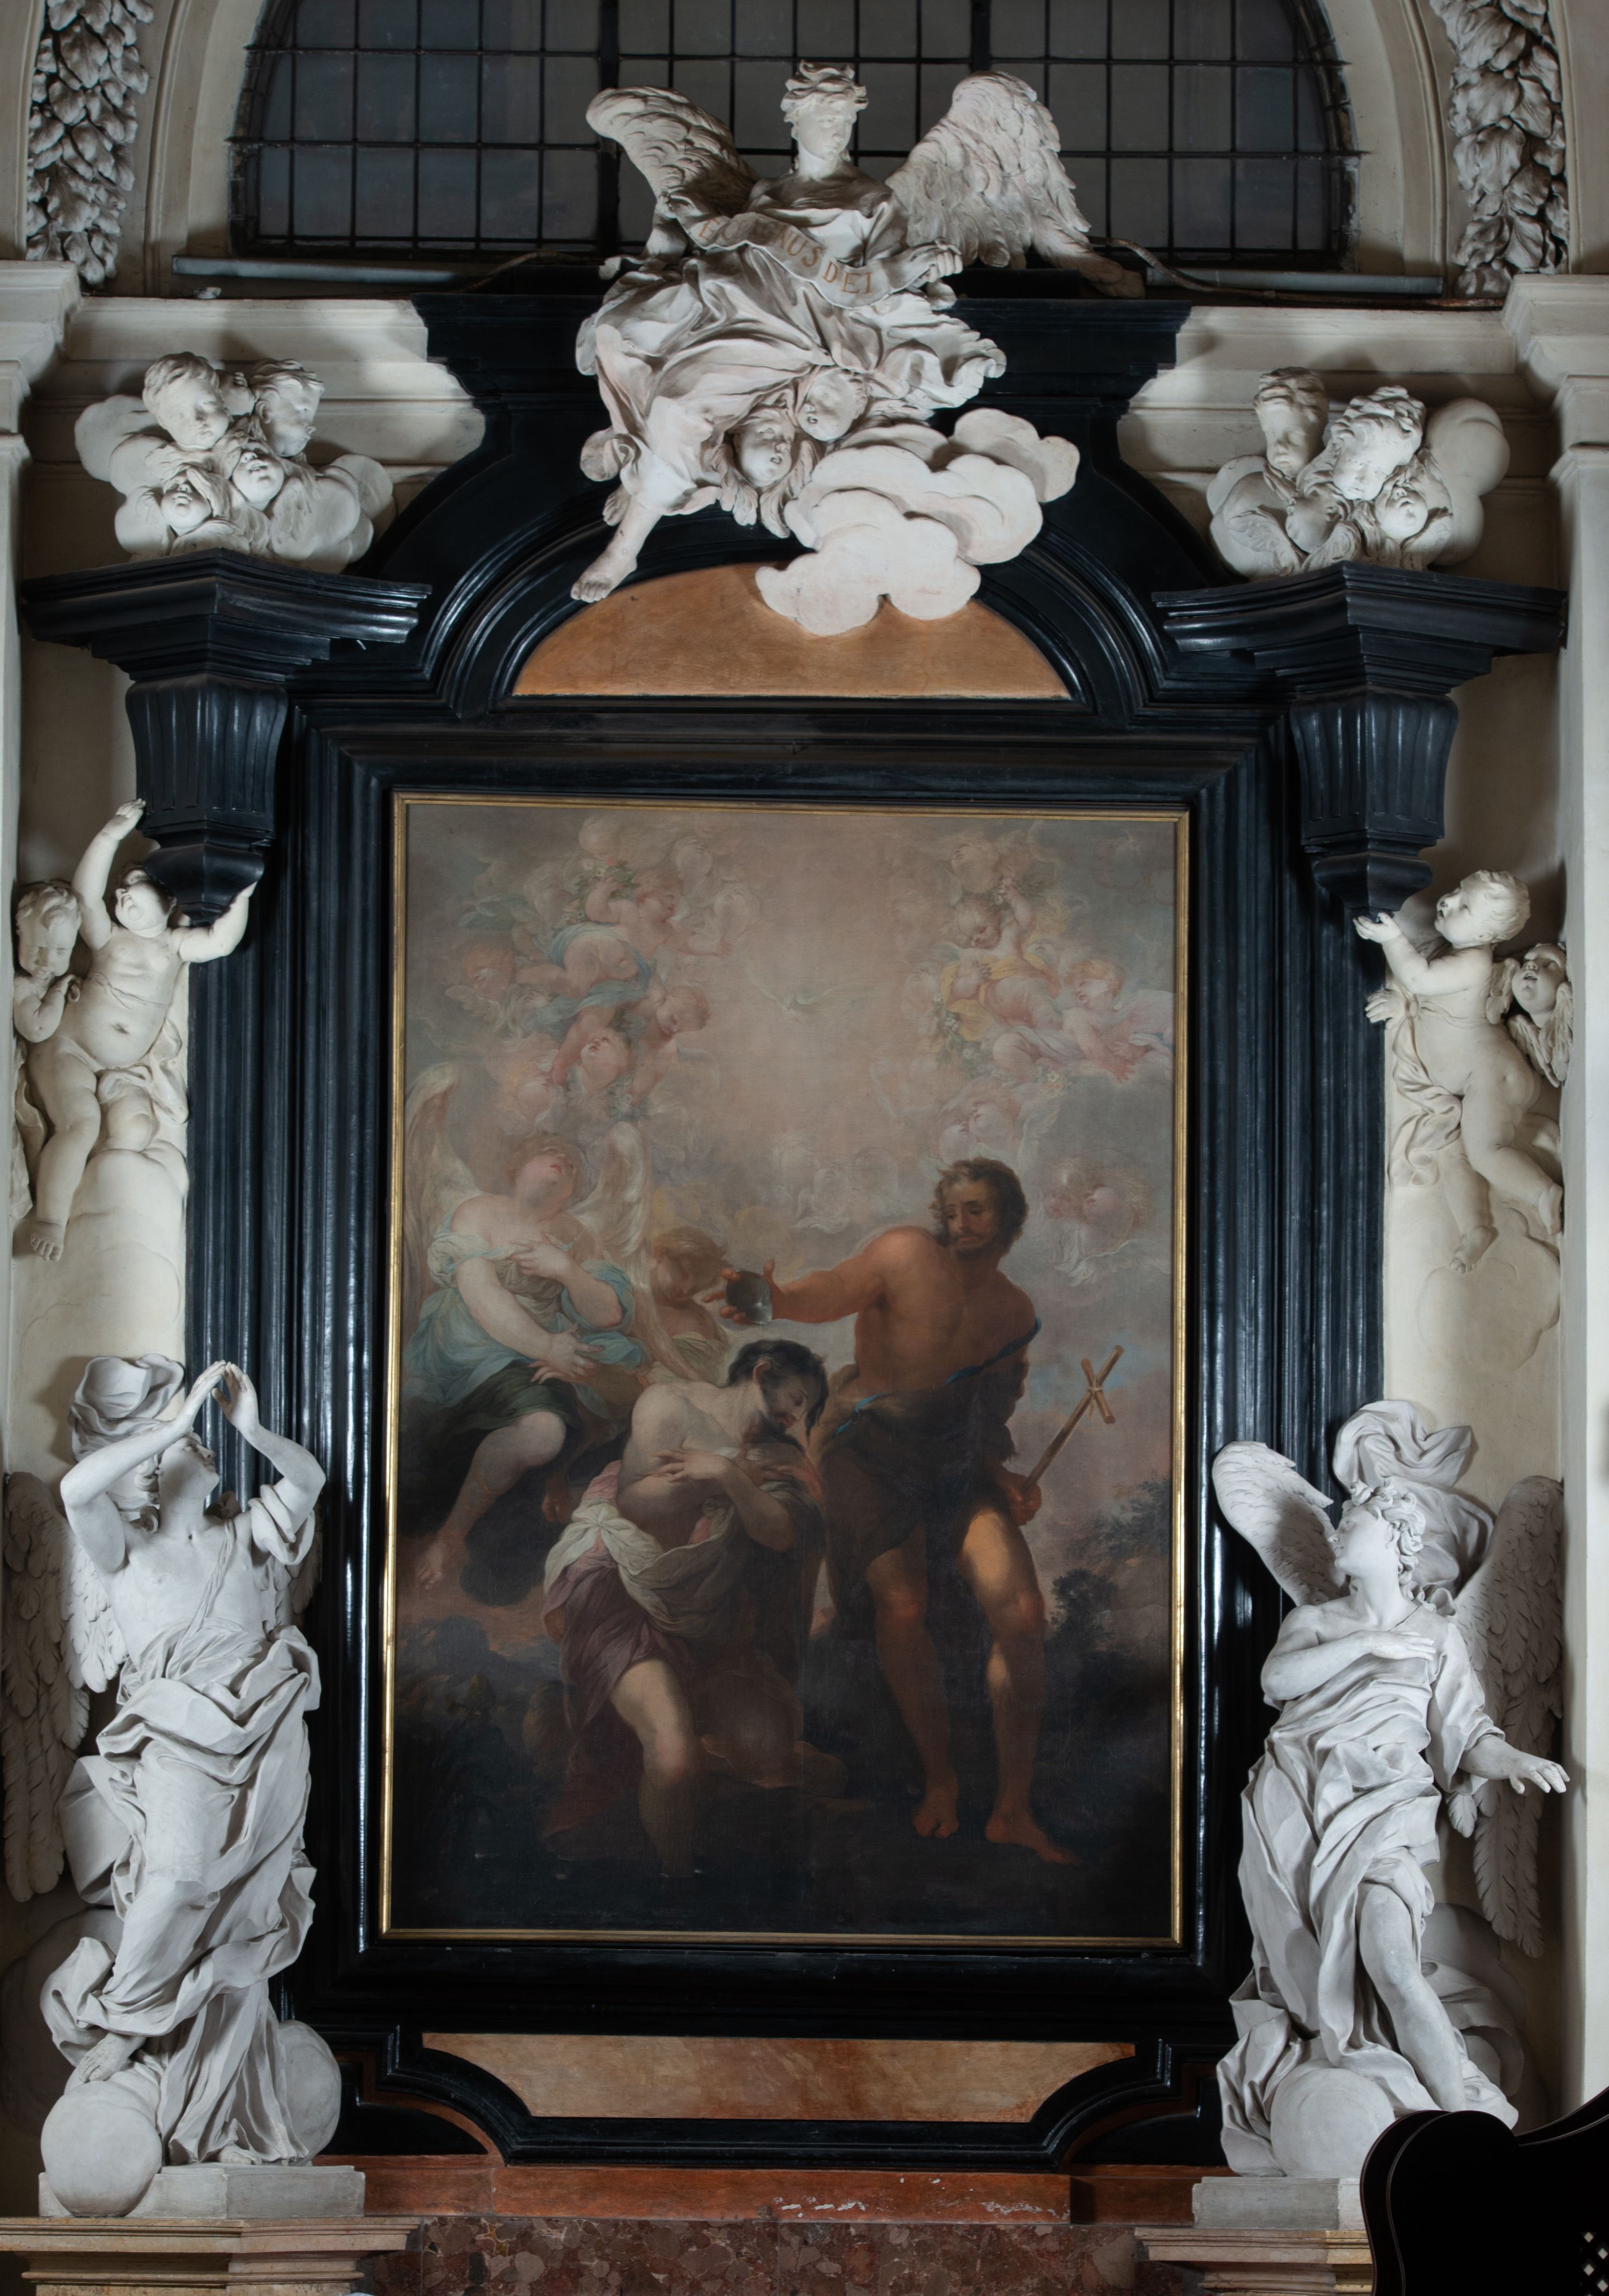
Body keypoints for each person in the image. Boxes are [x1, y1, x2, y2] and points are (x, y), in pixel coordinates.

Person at [726, 1156, 1069, 1863]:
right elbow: (831, 1290)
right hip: (868, 1452)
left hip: (953, 1463)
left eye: (976, 1209)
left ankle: (1013, 1808)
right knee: (904, 1604)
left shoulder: (1013, 1311)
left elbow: (987, 1410)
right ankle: (940, 1781)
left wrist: (1003, 1477)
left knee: (1022, 1612)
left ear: (1007, 1217)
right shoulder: (905, 1253)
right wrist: (775, 1298)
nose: (960, 1222)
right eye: (953, 1209)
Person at [41, 1355, 337, 2174]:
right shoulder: (125, 1554)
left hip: (267, 1732)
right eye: (181, 1444)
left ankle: (218, 2096)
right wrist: (170, 1423)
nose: (199, 1445)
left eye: (196, 1441)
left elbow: (308, 1479)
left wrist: (252, 1429)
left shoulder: (247, 1537)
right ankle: (123, 2021)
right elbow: (76, 1491)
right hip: (177, 1735)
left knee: (244, 1913)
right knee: (176, 1880)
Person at [1220, 1479, 1567, 2163]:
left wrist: (1515, 1760)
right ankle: (1350, 2071)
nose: (1335, 1535)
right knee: (1306, 1968)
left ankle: (1468, 2128)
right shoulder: (1315, 1622)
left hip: (1383, 1813)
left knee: (1392, 1960)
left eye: (1351, 1524)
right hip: (1295, 1807)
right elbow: (1276, 1682)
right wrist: (1373, 1644)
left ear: (1395, 1539)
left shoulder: (1436, 1634)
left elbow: (1466, 1732)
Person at [541, 1338, 829, 1874]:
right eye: (796, 1398)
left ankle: (678, 1860)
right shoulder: (671, 1404)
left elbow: (779, 1533)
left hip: (699, 1607)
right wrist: (722, 1478)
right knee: (672, 1756)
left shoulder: (777, 1454)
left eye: (806, 1408)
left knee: (763, 1745)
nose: (797, 1415)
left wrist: (724, 1474)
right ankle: (676, 1887)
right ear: (761, 1372)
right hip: (619, 1583)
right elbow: (635, 1503)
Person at [406, 1135, 645, 1593]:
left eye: (572, 1164)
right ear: (516, 1166)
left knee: (553, 1429)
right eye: (550, 1153)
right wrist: (547, 1346)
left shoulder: (578, 1235)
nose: (563, 1161)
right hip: (469, 1347)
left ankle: (461, 1533)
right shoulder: (478, 1210)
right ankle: (449, 1538)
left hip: (534, 1355)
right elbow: (482, 1293)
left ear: (572, 1190)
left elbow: (607, 1315)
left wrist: (567, 1270)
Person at [21, 801, 255, 1260]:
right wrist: (110, 835)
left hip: (123, 1071)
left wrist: (241, 899)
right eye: (121, 891)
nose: (122, 894)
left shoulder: (174, 945)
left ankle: (104, 1208)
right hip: (70, 1051)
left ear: (168, 900)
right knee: (81, 1125)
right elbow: (86, 896)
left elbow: (221, 942)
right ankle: (51, 1217)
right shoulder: (109, 939)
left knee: (135, 1130)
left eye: (134, 885)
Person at [1356, 870, 1562, 1270]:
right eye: (1455, 892)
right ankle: (1474, 1229)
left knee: (1485, 1152)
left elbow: (1419, 978)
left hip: (1492, 1076)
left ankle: (1543, 1194)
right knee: (1453, 1155)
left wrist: (1393, 939)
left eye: (1464, 906)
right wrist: (1404, 1008)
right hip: (1470, 1086)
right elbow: (1430, 1000)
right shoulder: (1453, 956)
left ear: (1486, 933)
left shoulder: (1474, 963)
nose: (1447, 901)